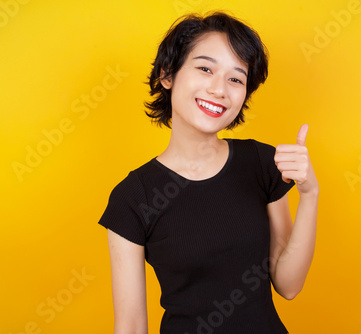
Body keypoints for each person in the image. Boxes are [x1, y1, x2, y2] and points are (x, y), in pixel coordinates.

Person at [98, 11, 319, 334]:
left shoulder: (260, 162)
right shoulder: (133, 197)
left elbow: (288, 285)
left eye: (236, 79)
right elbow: (130, 325)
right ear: (167, 75)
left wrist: (310, 193)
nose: (219, 89)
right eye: (205, 68)